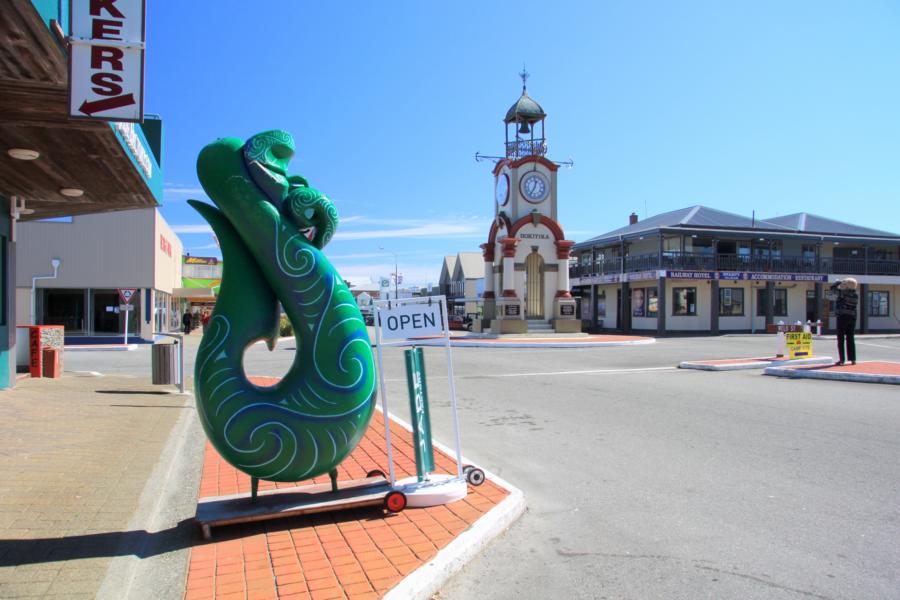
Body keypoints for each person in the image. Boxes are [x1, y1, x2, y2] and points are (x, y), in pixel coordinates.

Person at [832, 278, 858, 365]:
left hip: (842, 316)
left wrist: (838, 282)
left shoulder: (843, 293)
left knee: (841, 338)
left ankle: (842, 360)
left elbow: (833, 288)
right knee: (850, 338)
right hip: (852, 316)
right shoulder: (855, 295)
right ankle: (853, 359)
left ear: (847, 285)